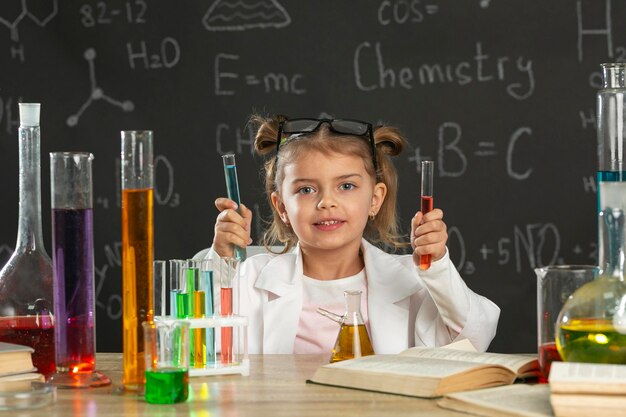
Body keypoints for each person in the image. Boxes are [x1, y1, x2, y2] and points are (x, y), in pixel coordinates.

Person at [205, 116, 500, 355]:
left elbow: (473, 339)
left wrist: (437, 266)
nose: (326, 202)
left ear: (375, 199)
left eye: (346, 186)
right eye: (306, 190)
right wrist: (221, 260)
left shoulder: (412, 279)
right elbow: (200, 341)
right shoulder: (251, 280)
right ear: (282, 207)